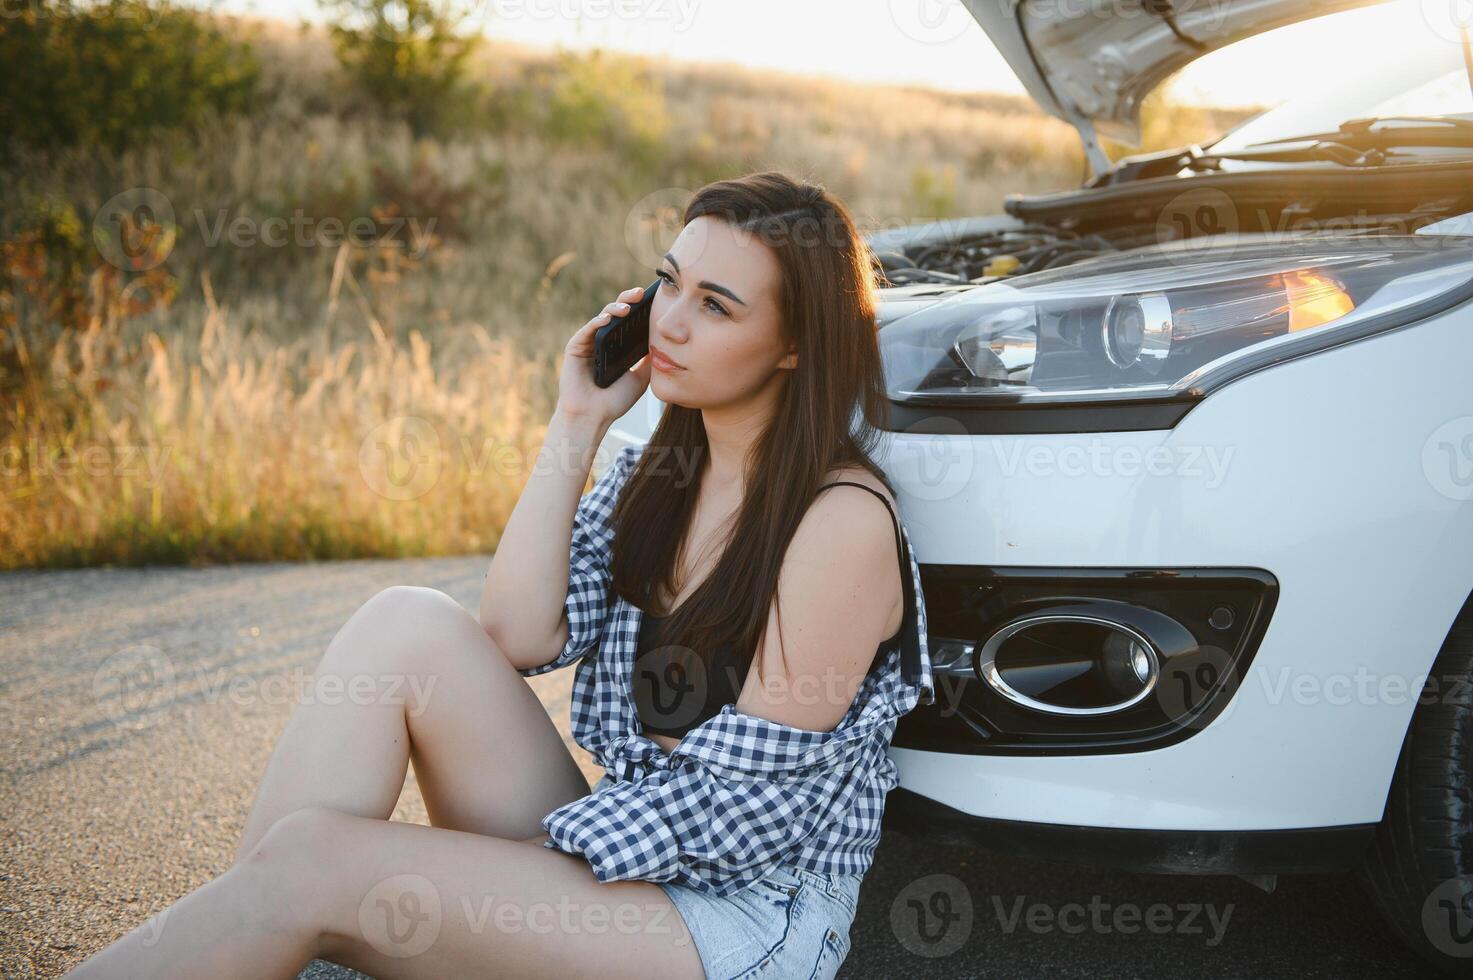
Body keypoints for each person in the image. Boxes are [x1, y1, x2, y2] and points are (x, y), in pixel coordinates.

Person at [65, 170, 934, 980]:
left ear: (792, 347)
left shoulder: (838, 522)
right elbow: (519, 636)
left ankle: (270, 912)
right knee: (404, 624)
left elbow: (738, 821)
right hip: (628, 853)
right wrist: (576, 422)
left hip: (740, 921)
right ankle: (260, 927)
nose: (668, 321)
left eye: (715, 306)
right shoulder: (658, 477)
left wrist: (506, 870)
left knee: (316, 863)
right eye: (667, 282)